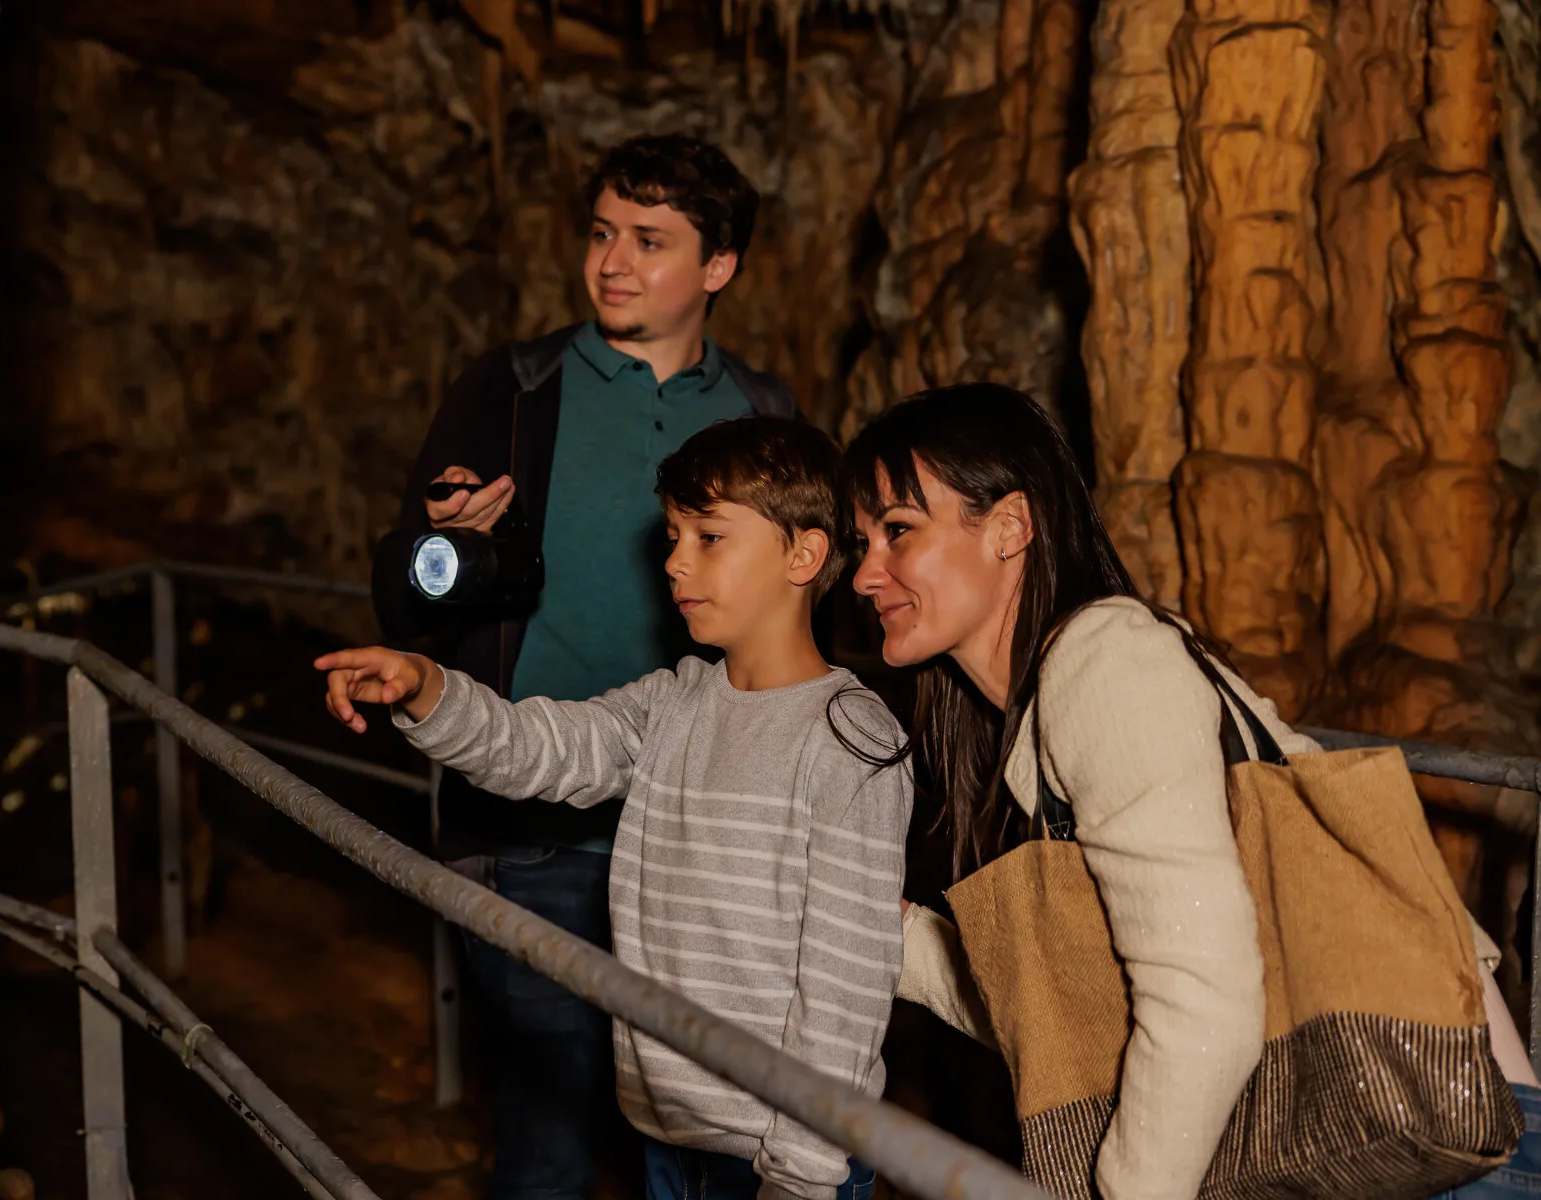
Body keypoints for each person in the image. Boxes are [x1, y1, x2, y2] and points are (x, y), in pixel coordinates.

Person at [841, 383, 1541, 1200]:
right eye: (861, 543)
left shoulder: (1106, 662)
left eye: (897, 532)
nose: (865, 575)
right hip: (1366, 1148)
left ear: (1009, 527)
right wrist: (878, 930)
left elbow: (1205, 995)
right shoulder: (1029, 721)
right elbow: (1067, 1011)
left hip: (1443, 1144)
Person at [368, 134, 796, 1199]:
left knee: (700, 1139)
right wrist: (450, 549)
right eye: (603, 235)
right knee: (550, 1133)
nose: (613, 261)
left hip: (702, 834)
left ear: (718, 266)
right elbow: (404, 591)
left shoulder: (766, 419)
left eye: (650, 242)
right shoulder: (515, 392)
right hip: (533, 833)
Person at [330, 417, 911, 1200]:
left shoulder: (849, 740)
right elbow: (540, 747)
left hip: (788, 1157)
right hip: (668, 1131)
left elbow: (843, 993)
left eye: (709, 536)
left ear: (804, 554)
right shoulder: (674, 704)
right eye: (673, 535)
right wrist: (427, 688)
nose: (674, 560)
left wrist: (802, 1176)